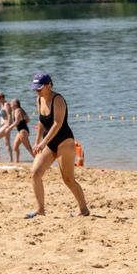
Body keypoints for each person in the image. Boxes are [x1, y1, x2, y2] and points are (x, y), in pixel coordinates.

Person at [29, 72, 89, 218]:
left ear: (49, 85)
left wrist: (43, 142)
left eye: (40, 88)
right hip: (48, 142)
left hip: (64, 141)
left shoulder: (58, 99)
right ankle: (40, 209)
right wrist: (37, 141)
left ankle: (84, 209)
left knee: (68, 179)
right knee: (35, 173)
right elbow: (41, 122)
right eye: (36, 88)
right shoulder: (39, 99)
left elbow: (58, 123)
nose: (37, 90)